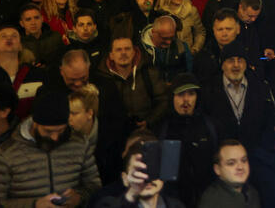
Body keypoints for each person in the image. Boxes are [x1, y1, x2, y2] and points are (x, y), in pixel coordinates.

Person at [0, 89, 102, 206]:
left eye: (61, 130)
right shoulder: (6, 154)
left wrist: (79, 197)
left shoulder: (79, 144)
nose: (55, 137)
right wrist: (34, 205)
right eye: (48, 131)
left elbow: (94, 186)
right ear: (35, 124)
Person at [157, 73, 219, 207]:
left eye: (191, 94)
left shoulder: (208, 125)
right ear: (172, 97)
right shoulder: (162, 128)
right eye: (180, 94)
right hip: (173, 200)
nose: (186, 100)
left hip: (206, 198)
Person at [96, 146, 187, 208]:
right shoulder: (107, 204)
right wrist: (131, 194)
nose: (147, 178)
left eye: (153, 170)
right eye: (139, 171)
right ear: (125, 178)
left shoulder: (176, 206)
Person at [198, 140, 260, 208]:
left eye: (244, 160)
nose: (240, 167)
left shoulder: (252, 193)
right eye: (231, 163)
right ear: (217, 169)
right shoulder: (211, 202)